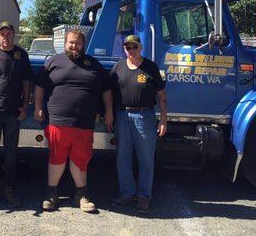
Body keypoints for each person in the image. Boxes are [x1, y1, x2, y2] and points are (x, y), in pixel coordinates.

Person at [34, 29, 113, 212]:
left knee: (81, 159)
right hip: (58, 121)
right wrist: (38, 107)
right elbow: (39, 85)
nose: (74, 46)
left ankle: (82, 196)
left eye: (77, 43)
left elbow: (106, 89)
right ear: (65, 43)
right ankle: (51, 194)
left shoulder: (93, 64)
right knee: (56, 158)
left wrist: (108, 111)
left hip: (84, 123)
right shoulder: (53, 61)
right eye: (71, 42)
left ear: (83, 45)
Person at [110, 34, 167, 214]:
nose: (131, 50)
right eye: (128, 47)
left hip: (144, 117)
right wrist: (108, 113)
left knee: (146, 159)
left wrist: (164, 119)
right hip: (121, 116)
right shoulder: (118, 67)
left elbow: (162, 96)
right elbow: (108, 93)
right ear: (124, 49)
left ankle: (144, 196)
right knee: (123, 158)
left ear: (140, 47)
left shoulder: (150, 67)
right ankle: (127, 193)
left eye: (134, 47)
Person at [0, 21, 33, 208]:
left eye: (9, 34)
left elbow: (27, 83)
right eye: (2, 34)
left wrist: (25, 106)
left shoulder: (21, 55)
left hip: (12, 114)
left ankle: (9, 190)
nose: (5, 37)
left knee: (11, 154)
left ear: (14, 35)